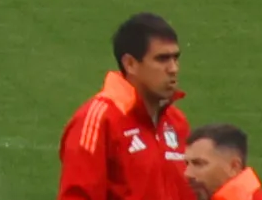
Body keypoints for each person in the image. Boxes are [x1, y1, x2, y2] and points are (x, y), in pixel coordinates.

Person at [65, 12, 198, 200]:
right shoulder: (98, 120)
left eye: (175, 58)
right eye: (162, 59)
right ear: (130, 64)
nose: (173, 68)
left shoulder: (177, 122)